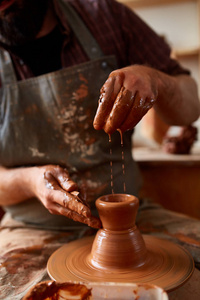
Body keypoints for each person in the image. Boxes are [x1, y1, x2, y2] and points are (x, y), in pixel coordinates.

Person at [0, 0, 200, 299]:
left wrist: (155, 79)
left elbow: (190, 106)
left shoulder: (105, 15)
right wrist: (30, 181)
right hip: (32, 225)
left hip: (136, 217)